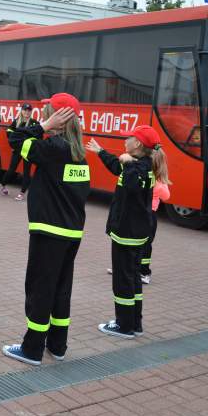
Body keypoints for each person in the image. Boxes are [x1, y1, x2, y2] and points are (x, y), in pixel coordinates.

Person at [2, 94, 90, 366]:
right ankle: (58, 344)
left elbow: (14, 140)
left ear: (58, 118)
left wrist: (41, 126)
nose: (43, 114)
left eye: (48, 111)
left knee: (40, 287)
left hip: (49, 231)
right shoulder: (79, 152)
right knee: (61, 289)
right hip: (71, 232)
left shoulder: (54, 147)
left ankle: (32, 349)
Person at [87, 125, 159, 339]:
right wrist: (101, 152)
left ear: (137, 144)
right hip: (135, 232)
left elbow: (130, 182)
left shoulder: (138, 169)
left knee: (123, 280)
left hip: (128, 233)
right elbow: (117, 168)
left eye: (129, 138)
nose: (125, 141)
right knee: (133, 278)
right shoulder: (140, 165)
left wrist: (128, 164)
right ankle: (134, 322)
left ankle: (124, 326)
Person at [140, 148, 171, 284]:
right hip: (144, 214)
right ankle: (137, 270)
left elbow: (166, 196)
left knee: (141, 244)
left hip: (144, 215)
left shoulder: (151, 178)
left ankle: (141, 271)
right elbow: (166, 196)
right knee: (141, 244)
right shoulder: (155, 180)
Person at [0, 104, 39, 201]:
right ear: (21, 111)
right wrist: (13, 146)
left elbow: (39, 137)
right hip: (17, 150)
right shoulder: (16, 121)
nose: (27, 112)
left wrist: (33, 148)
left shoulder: (34, 123)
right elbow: (9, 132)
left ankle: (22, 193)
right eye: (25, 110)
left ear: (31, 112)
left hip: (28, 151)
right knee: (11, 169)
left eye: (29, 110)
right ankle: (3, 185)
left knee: (26, 172)